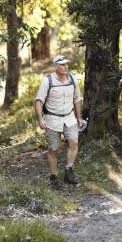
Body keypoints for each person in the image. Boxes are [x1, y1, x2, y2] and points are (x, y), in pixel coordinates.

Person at [34, 55, 83, 187]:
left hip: (69, 117)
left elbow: (77, 99)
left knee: (74, 142)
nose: (65, 66)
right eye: (62, 64)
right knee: (53, 150)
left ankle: (69, 170)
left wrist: (79, 117)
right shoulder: (47, 81)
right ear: (56, 66)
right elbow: (39, 101)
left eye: (66, 64)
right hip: (52, 119)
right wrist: (40, 118)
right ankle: (53, 177)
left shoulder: (72, 79)